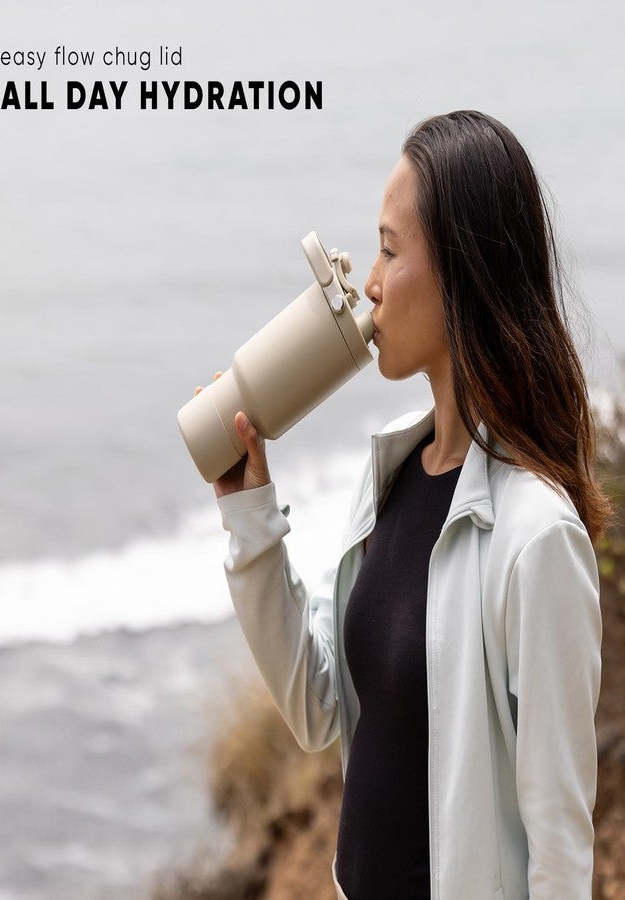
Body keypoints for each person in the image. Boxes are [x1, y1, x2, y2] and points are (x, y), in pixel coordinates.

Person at [195, 110, 612, 899]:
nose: (372, 284)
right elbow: (319, 706)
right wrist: (250, 514)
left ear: (460, 270)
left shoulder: (536, 537)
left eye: (389, 249)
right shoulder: (391, 473)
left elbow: (559, 844)